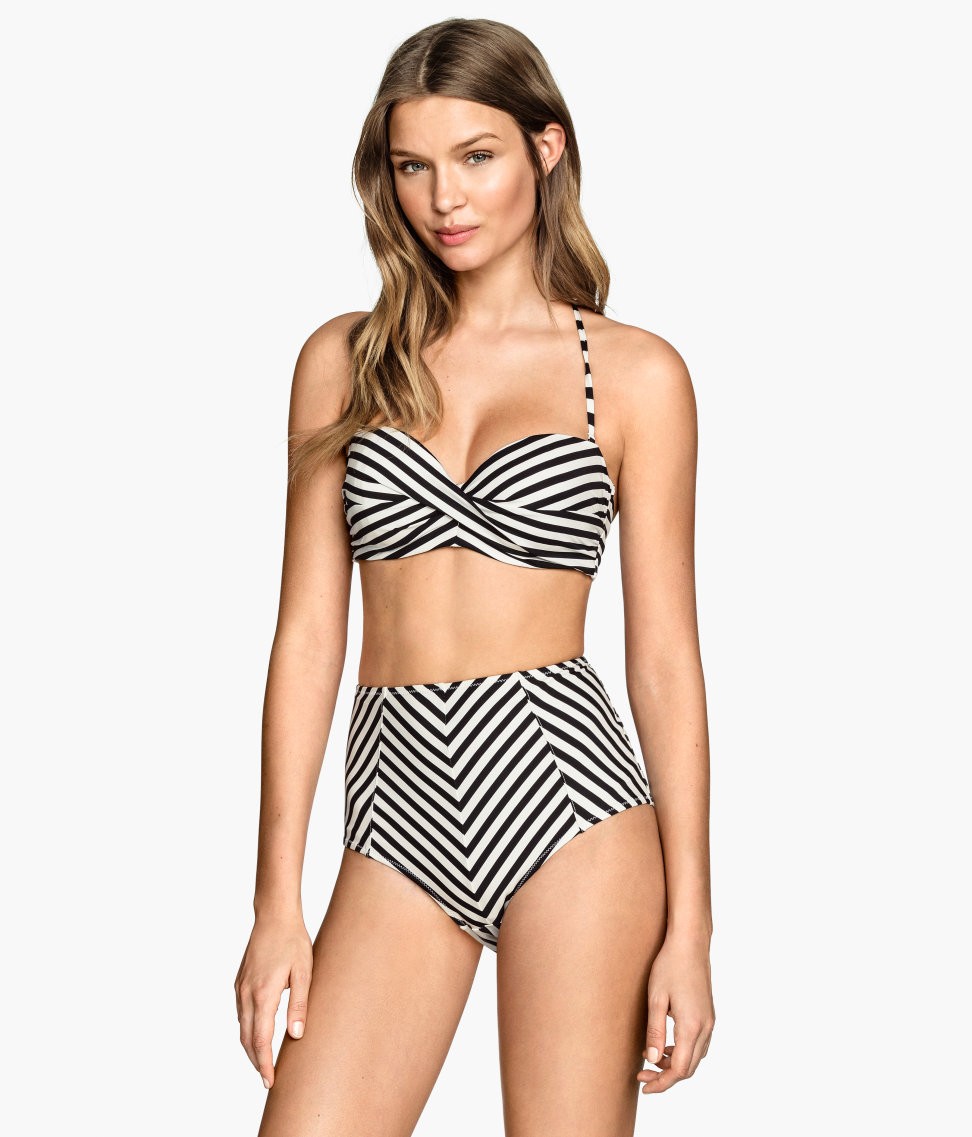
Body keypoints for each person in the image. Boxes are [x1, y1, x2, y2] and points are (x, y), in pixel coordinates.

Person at [235, 16, 715, 1136]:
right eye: (413, 166)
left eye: (477, 156)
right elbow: (307, 637)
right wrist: (275, 901)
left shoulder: (634, 376)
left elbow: (663, 657)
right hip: (394, 806)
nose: (444, 198)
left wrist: (692, 925)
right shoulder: (344, 360)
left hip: (571, 799)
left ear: (546, 148)